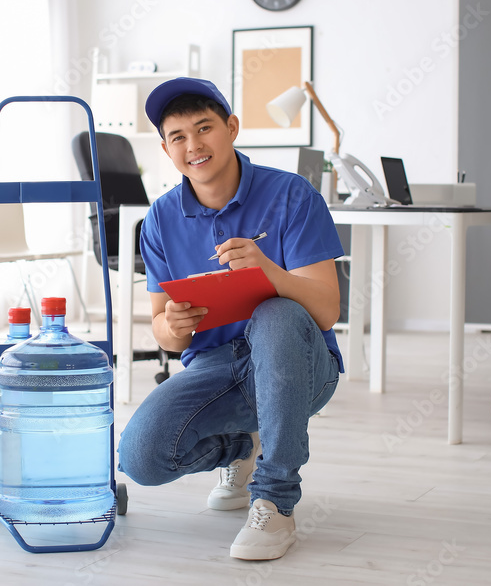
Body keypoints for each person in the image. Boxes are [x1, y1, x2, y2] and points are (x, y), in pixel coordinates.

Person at [117, 77, 345, 561]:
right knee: (140, 457)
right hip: (217, 369)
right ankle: (245, 445)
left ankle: (275, 499)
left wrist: (268, 271)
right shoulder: (159, 219)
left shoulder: (292, 195)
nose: (193, 145)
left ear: (232, 128)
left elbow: (326, 309)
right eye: (178, 137)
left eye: (204, 128)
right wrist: (171, 327)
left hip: (301, 366)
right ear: (165, 148)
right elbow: (164, 331)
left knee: (277, 312)